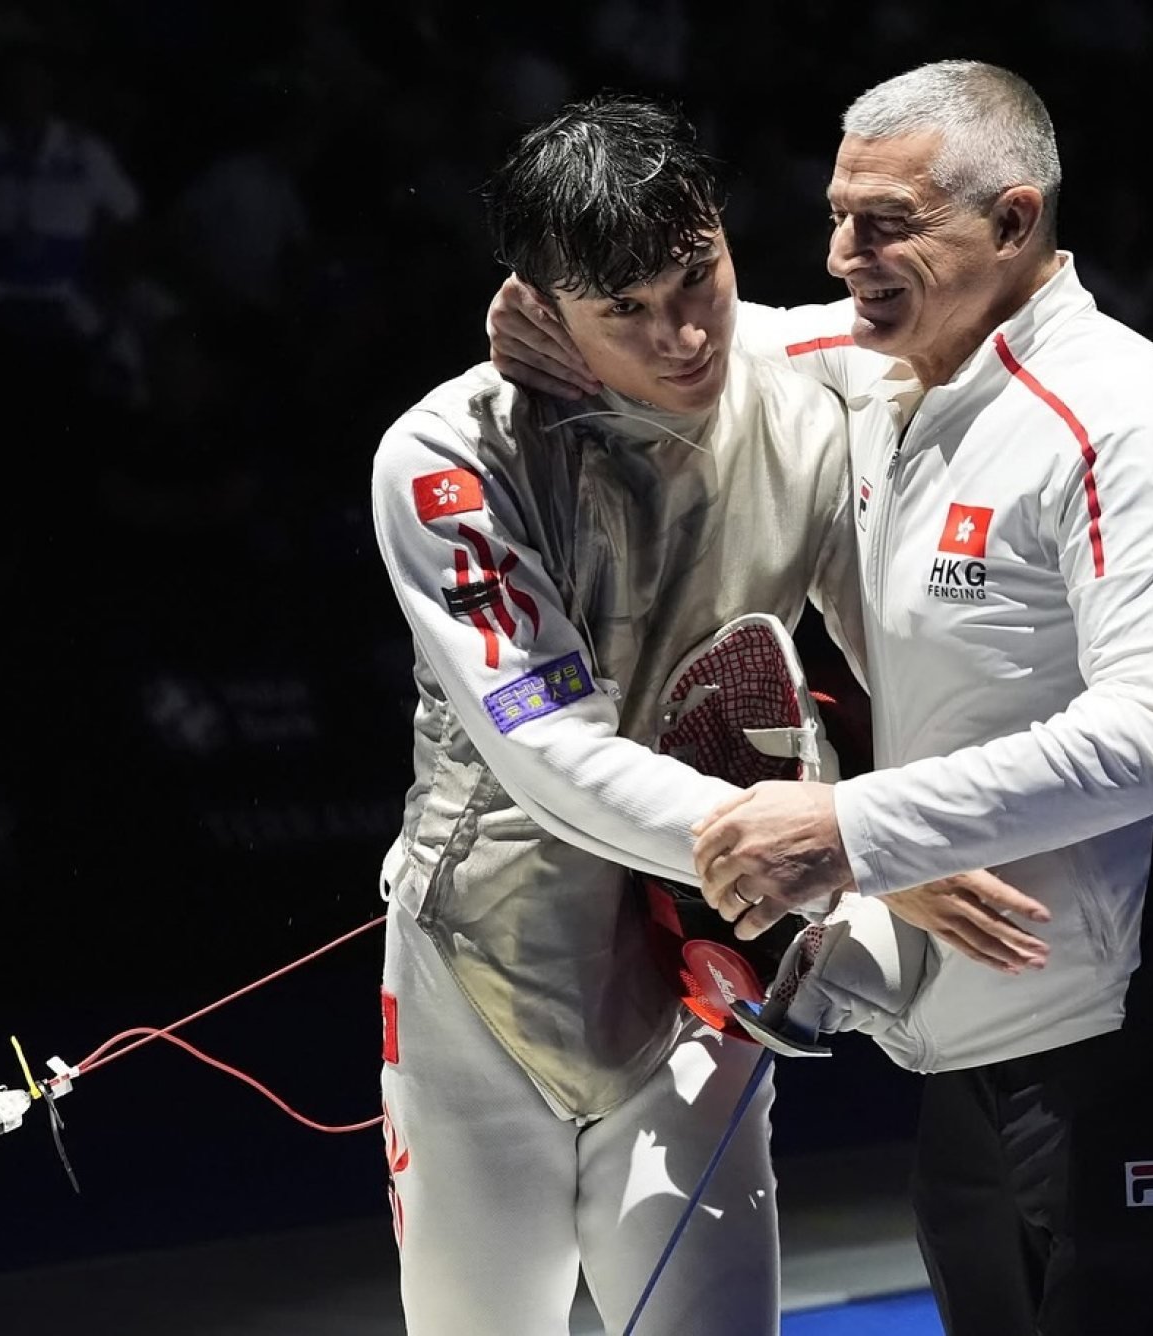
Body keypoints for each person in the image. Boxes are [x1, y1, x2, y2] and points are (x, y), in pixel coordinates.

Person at [490, 60, 1153, 1336]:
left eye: (884, 224)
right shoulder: (881, 363)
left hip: (1144, 1020)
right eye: (834, 215)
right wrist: (560, 317)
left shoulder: (1128, 422)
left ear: (1014, 223)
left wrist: (849, 831)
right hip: (969, 1026)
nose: (841, 252)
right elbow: (704, 338)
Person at [371, 92, 1047, 1336]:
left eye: (698, 277)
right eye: (622, 310)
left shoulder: (808, 391)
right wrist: (833, 839)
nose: (683, 335)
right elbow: (548, 750)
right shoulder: (448, 456)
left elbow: (1013, 309)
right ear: (538, 305)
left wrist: (881, 832)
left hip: (705, 946)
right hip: (485, 957)